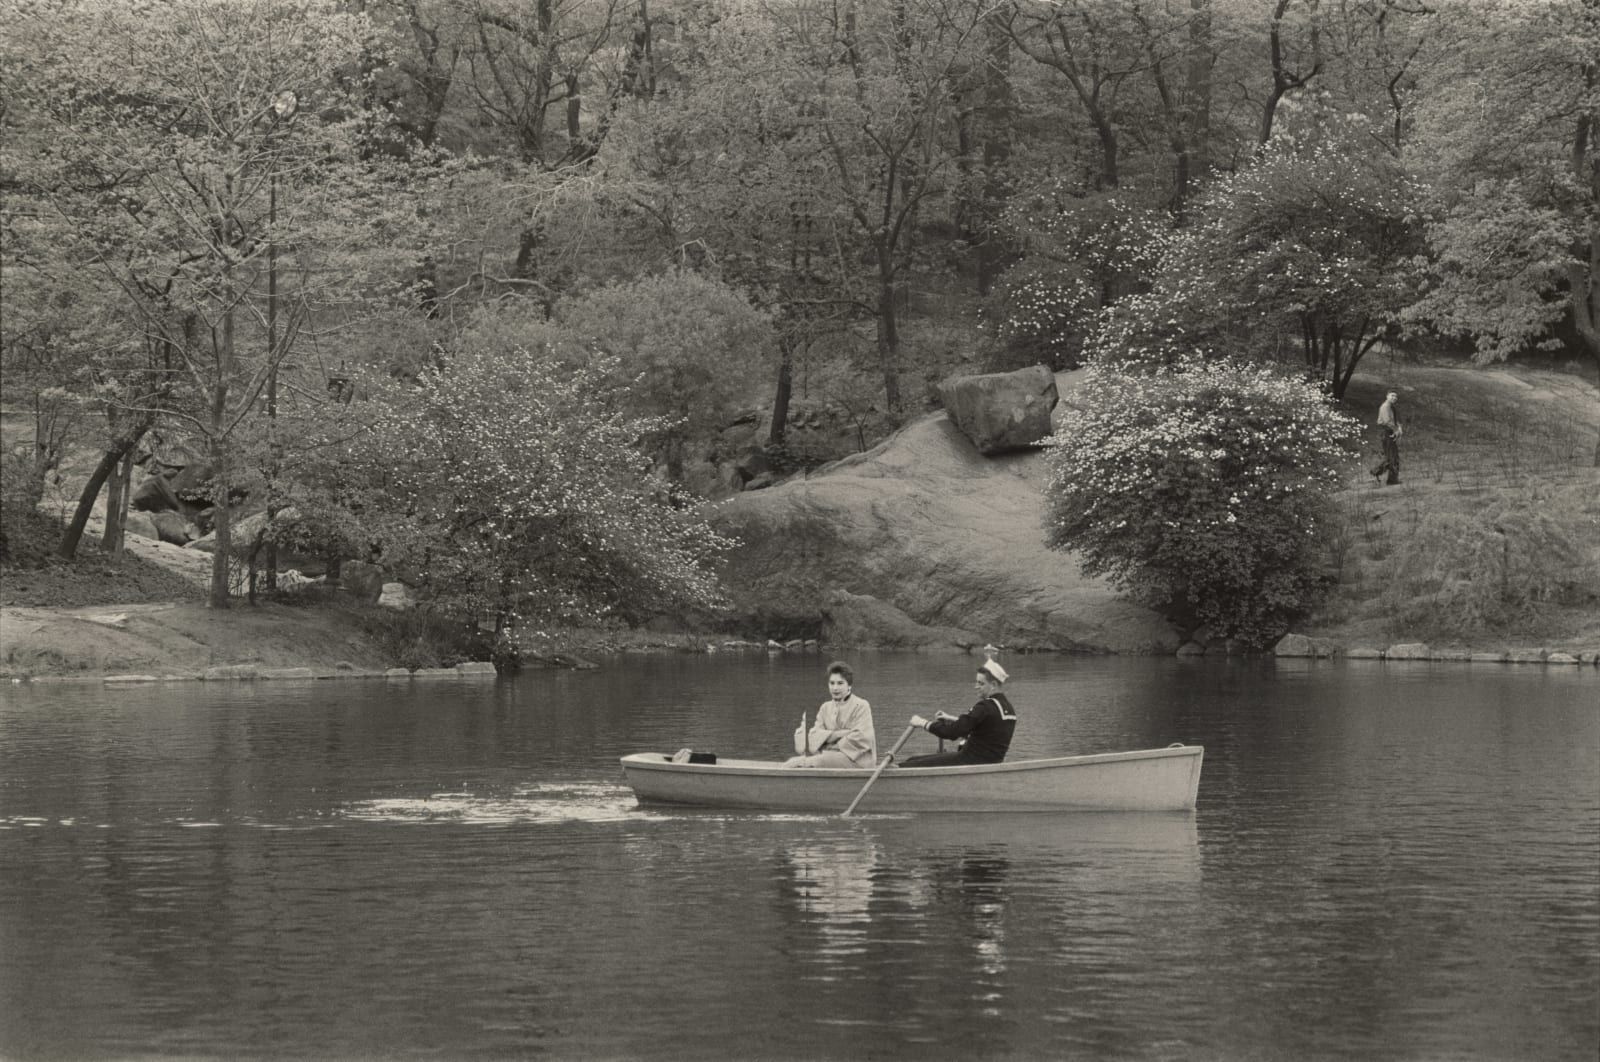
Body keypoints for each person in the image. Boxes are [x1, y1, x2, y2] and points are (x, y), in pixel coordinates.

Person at [900, 658, 1017, 767]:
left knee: (908, 764)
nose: (976, 687)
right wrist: (950, 718)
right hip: (990, 762)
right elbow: (986, 730)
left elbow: (952, 733)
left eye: (981, 683)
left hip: (969, 761)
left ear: (993, 685)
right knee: (912, 759)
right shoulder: (1007, 708)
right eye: (976, 682)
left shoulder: (984, 707)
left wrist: (922, 723)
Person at [784, 661, 877, 769]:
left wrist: (829, 742)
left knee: (806, 762)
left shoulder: (861, 705)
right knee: (792, 762)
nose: (835, 688)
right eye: (832, 683)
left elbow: (862, 738)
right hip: (830, 757)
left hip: (858, 761)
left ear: (849, 685)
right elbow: (813, 737)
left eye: (840, 683)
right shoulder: (825, 708)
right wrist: (839, 734)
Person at [1371, 391, 1403, 485]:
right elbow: (1387, 421)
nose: (1394, 398)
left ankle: (1381, 474)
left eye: (1396, 396)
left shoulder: (1392, 407)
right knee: (1393, 457)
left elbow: (1396, 420)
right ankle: (1380, 474)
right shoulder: (1385, 407)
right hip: (1386, 432)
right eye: (1392, 395)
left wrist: (1399, 428)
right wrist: (1396, 430)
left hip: (1390, 432)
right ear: (1387, 396)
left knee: (1392, 457)